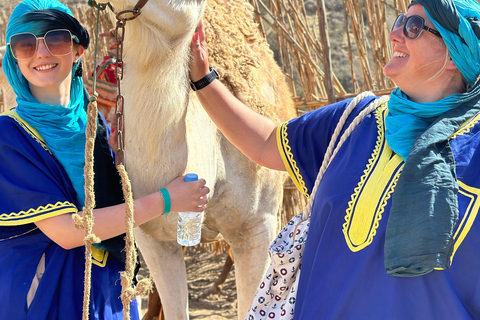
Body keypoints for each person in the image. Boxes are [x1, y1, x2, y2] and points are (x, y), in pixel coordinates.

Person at [189, 0, 480, 318]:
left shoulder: (474, 150)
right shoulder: (354, 120)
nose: (395, 34)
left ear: (454, 53)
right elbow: (265, 143)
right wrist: (203, 79)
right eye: (399, 22)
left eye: (413, 27)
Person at [0, 0, 209, 319]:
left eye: (55, 39)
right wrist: (166, 200)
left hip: (108, 290)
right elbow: (68, 231)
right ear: (14, 56)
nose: (41, 53)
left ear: (78, 48)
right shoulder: (10, 136)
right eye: (26, 44)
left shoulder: (95, 126)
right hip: (43, 294)